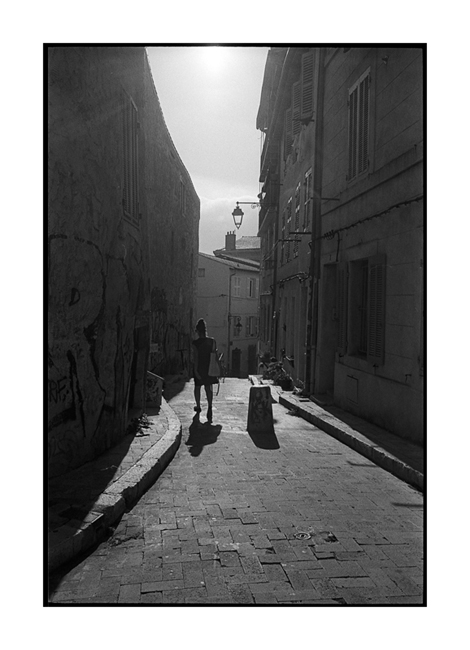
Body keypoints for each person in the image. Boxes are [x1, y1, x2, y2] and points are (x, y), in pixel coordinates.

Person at [192, 318, 219, 423]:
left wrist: (195, 370)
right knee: (208, 387)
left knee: (197, 387)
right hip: (209, 367)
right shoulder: (212, 341)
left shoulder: (195, 343)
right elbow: (214, 355)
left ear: (198, 331)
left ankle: (198, 406)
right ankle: (210, 406)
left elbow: (196, 357)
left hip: (200, 367)